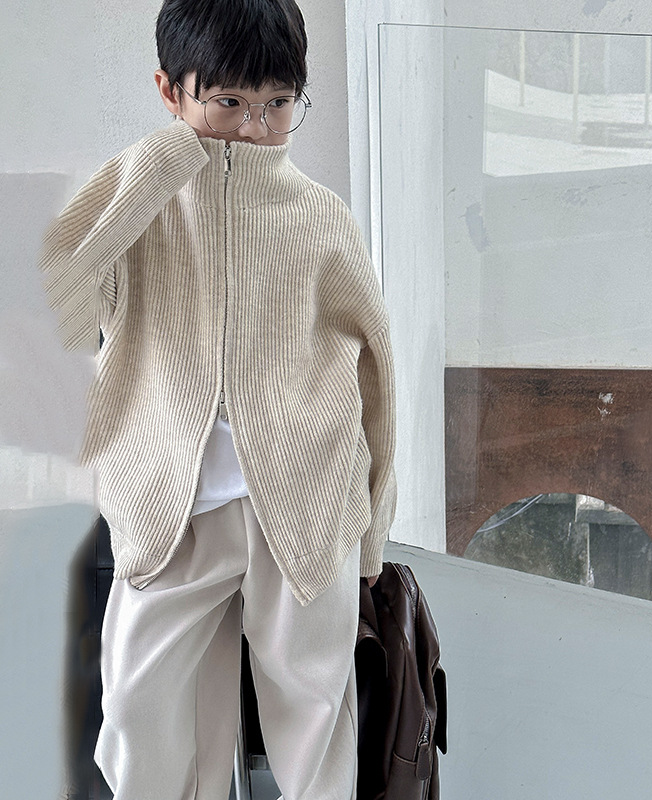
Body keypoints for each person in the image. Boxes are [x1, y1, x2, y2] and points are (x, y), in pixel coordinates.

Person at [39, 0, 397, 798]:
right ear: (170, 91)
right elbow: (52, 302)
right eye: (229, 101)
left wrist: (371, 532)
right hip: (172, 511)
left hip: (303, 510)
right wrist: (163, 162)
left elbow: (378, 376)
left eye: (278, 103)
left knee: (315, 734)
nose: (255, 127)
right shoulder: (139, 208)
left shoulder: (322, 217)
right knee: (139, 726)